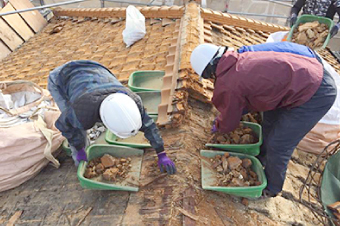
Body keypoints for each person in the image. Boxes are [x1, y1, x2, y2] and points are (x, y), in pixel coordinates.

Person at [190, 42, 336, 197]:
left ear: (209, 72)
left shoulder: (229, 82)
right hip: (306, 77)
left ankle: (272, 188)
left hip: (315, 92)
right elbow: (249, 96)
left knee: (279, 143)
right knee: (269, 121)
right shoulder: (237, 59)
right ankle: (262, 157)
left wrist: (220, 126)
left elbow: (230, 120)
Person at [48, 60, 176, 175]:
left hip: (95, 69)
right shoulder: (81, 112)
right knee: (78, 128)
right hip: (60, 78)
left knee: (80, 121)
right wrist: (78, 147)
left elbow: (149, 126)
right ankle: (81, 164)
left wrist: (161, 153)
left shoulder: (133, 102)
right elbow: (64, 125)